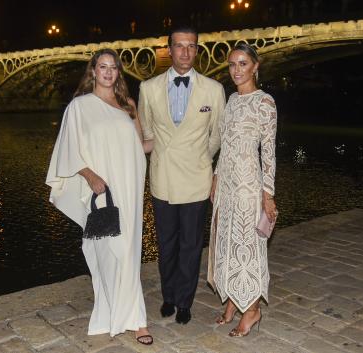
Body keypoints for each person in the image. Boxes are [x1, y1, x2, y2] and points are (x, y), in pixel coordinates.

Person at [45, 49, 153, 345]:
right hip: (104, 190)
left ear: (119, 72)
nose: (108, 72)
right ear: (93, 71)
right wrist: (90, 176)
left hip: (129, 187)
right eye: (102, 67)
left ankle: (137, 320)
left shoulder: (128, 105)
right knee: (106, 252)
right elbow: (68, 149)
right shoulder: (79, 107)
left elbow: (141, 146)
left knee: (130, 251)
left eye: (113, 67)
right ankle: (107, 310)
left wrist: (178, 137)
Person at [138, 26, 226, 324]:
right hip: (163, 179)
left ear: (197, 50)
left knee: (190, 245)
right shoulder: (148, 88)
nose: (185, 52)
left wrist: (202, 157)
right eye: (179, 46)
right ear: (170, 49)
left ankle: (185, 301)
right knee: (166, 243)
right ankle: (168, 296)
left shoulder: (213, 90)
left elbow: (217, 136)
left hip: (197, 179)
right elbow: (147, 131)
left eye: (191, 46)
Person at [208, 43, 278, 337]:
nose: (236, 70)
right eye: (232, 64)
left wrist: (268, 195)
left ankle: (252, 310)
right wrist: (215, 177)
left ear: (255, 66)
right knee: (225, 243)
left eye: (242, 64)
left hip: (249, 185)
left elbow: (269, 152)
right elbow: (225, 145)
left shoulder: (265, 103)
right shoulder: (232, 101)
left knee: (247, 246)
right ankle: (234, 299)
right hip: (226, 183)